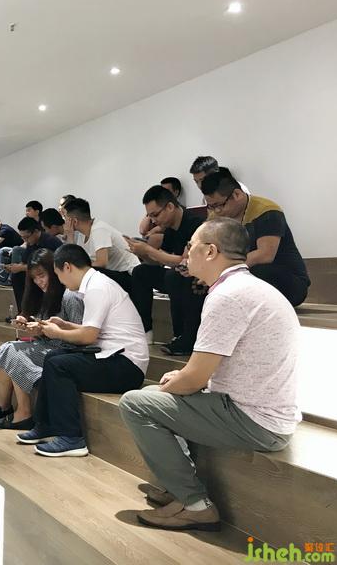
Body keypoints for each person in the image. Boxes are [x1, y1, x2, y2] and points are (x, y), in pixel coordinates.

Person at [118, 218, 300, 531]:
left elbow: (195, 380)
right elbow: (206, 370)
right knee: (152, 396)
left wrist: (180, 382)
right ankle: (178, 486)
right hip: (263, 412)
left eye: (191, 246)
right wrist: (181, 379)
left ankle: (195, 505)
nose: (186, 253)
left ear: (211, 251)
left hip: (256, 420)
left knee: (136, 404)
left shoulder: (228, 296)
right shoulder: (247, 287)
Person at [17, 244, 148, 457]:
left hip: (128, 366)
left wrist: (57, 333)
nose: (60, 281)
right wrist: (64, 325)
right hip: (114, 356)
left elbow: (88, 337)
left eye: (58, 274)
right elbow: (90, 330)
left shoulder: (97, 288)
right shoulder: (96, 284)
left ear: (67, 267)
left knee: (59, 365)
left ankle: (72, 438)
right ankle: (46, 425)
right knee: (53, 357)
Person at [0, 249, 85, 430]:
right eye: (35, 278)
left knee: (13, 352)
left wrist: (44, 330)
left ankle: (23, 413)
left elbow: (78, 335)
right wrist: (29, 325)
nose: (39, 281)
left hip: (62, 350)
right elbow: (42, 327)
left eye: (42, 275)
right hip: (45, 344)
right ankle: (5, 406)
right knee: (8, 348)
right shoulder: (40, 295)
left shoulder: (70, 296)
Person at [201, 171, 310, 306]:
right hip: (243, 273)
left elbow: (264, 255)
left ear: (237, 194)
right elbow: (204, 243)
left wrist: (224, 271)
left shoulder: (267, 211)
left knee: (256, 271)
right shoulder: (217, 217)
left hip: (287, 281)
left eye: (220, 205)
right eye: (211, 206)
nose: (217, 211)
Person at [126, 186, 206, 354]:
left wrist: (149, 250)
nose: (153, 221)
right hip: (178, 274)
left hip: (196, 277)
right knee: (141, 272)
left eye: (155, 215)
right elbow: (163, 260)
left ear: (170, 206)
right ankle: (145, 330)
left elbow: (184, 261)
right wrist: (142, 253)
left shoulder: (195, 223)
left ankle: (183, 337)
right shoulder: (170, 229)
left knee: (173, 276)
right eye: (150, 216)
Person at [63, 197, 139, 293]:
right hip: (113, 273)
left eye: (65, 218)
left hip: (128, 275)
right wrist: (70, 236)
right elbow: (75, 259)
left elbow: (102, 263)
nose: (64, 222)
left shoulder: (99, 229)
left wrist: (79, 267)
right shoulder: (82, 234)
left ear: (74, 221)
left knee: (88, 271)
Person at [5, 217, 62, 308]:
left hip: (52, 274)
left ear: (36, 231)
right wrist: (15, 266)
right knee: (17, 276)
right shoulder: (31, 243)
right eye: (22, 238)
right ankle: (24, 309)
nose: (25, 240)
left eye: (27, 237)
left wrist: (21, 268)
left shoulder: (50, 241)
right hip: (37, 273)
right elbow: (26, 261)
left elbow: (48, 265)